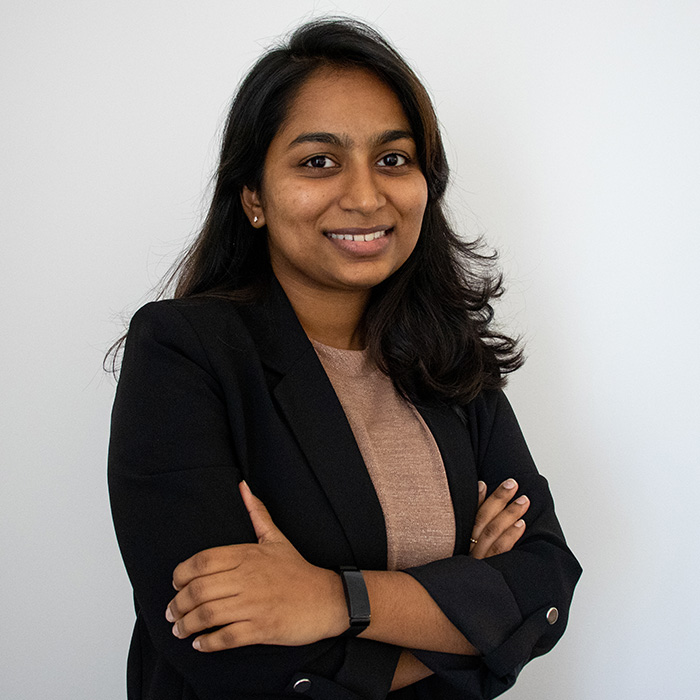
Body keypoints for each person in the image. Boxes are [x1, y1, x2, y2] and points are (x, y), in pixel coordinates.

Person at [108, 17, 581, 700]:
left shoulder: (449, 361)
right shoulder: (185, 353)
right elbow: (220, 648)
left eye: (394, 159)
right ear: (253, 198)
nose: (365, 196)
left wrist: (337, 601)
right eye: (318, 161)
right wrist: (474, 630)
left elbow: (545, 586)